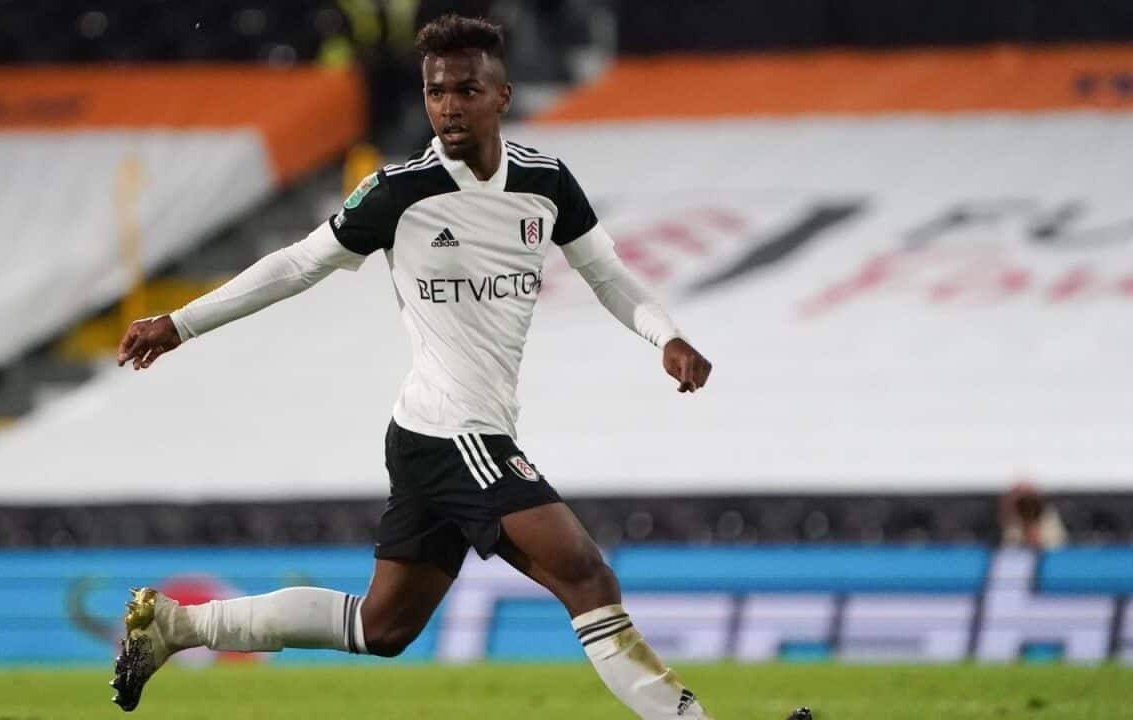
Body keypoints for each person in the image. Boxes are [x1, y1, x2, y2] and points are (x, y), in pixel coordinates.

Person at [111, 14, 809, 720]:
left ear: (500, 95)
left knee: (381, 627)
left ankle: (180, 625)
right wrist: (180, 323)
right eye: (435, 91)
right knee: (589, 576)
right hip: (452, 432)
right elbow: (296, 264)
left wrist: (666, 336)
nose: (447, 106)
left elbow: (608, 275)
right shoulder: (400, 192)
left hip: (437, 436)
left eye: (465, 90)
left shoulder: (545, 181)